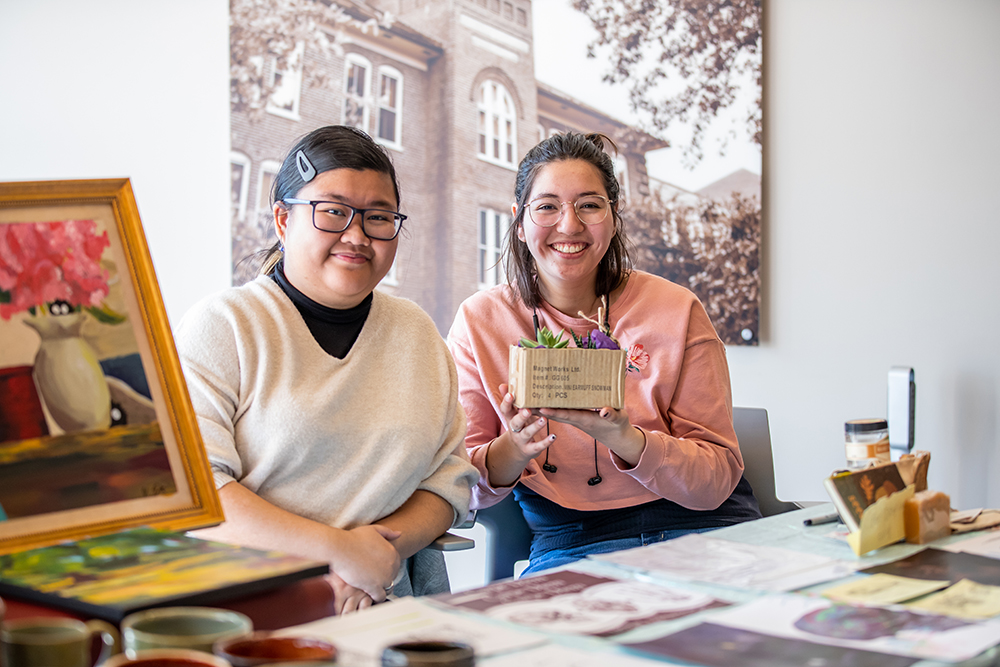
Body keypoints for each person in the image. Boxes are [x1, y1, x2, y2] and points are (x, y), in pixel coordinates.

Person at [175, 125, 478, 613]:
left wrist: (377, 557)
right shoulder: (224, 325)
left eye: (378, 217)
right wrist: (336, 556)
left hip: (389, 601)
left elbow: (450, 477)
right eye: (333, 212)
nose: (357, 236)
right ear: (282, 218)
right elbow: (199, 490)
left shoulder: (416, 332)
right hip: (252, 608)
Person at [448, 131, 761, 574]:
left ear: (613, 217)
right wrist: (513, 449)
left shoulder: (677, 309)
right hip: (572, 543)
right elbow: (459, 487)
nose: (570, 225)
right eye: (548, 206)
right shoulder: (480, 322)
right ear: (519, 222)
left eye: (589, 205)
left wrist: (623, 438)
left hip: (704, 528)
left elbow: (715, 481)